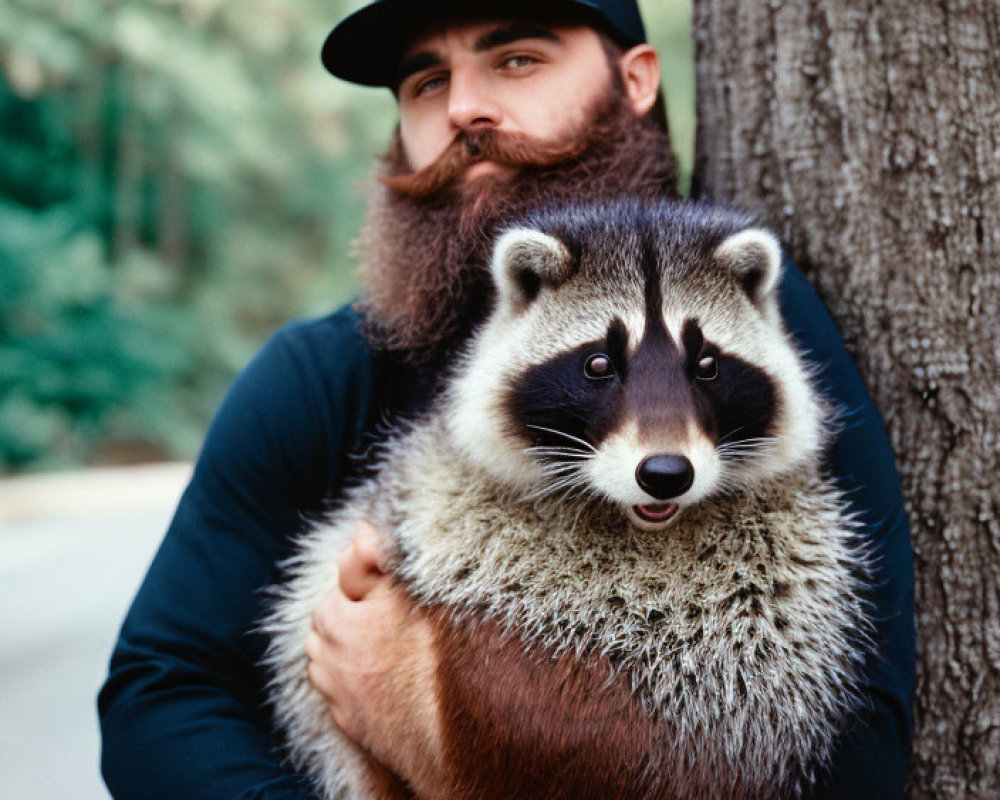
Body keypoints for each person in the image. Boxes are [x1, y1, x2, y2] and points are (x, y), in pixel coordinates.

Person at [97, 1, 915, 798]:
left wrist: (422, 707)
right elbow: (157, 695)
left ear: (636, 80)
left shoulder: (743, 320)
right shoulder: (319, 374)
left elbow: (860, 751)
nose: (465, 109)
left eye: (516, 58)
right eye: (425, 82)